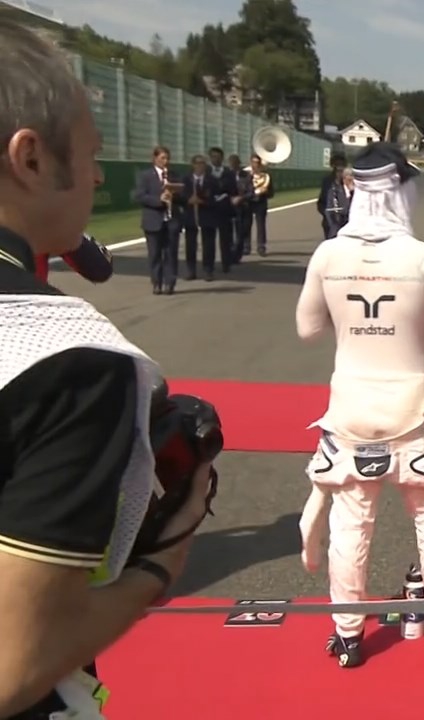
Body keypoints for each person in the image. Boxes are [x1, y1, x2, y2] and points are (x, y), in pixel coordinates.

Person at [0, 20, 214, 717]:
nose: (95, 176)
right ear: (30, 158)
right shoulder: (68, 357)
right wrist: (160, 563)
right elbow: (14, 665)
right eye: (91, 154)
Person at [295, 142, 424, 670]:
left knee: (351, 525)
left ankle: (348, 636)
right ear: (401, 192)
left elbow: (308, 329)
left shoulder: (328, 256)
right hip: (413, 414)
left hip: (351, 411)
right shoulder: (423, 257)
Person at [133, 145, 183, 295]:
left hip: (171, 220)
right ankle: (157, 283)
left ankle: (170, 283)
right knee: (154, 254)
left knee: (171, 254)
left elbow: (183, 196)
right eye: (162, 158)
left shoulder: (174, 175)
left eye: (167, 158)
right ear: (154, 158)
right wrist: (159, 200)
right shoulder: (145, 176)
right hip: (153, 221)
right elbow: (140, 196)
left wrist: (175, 194)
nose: (165, 161)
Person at [317, 153, 350, 240]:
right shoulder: (327, 182)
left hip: (346, 222)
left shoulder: (349, 181)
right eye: (336, 165)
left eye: (341, 165)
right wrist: (326, 213)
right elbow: (321, 202)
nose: (339, 168)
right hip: (330, 222)